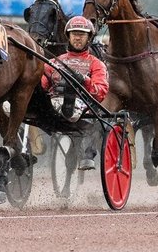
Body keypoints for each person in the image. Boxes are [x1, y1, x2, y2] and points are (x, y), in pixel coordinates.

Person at [42, 15, 109, 169]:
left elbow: (100, 92)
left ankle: (87, 153)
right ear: (68, 36)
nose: (77, 38)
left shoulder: (96, 64)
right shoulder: (54, 62)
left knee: (70, 85)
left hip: (82, 109)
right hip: (52, 107)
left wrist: (84, 80)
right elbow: (42, 85)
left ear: (89, 38)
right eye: (74, 34)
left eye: (82, 35)